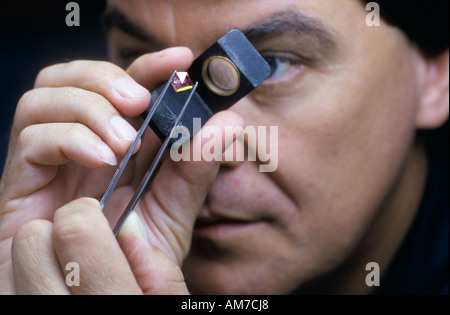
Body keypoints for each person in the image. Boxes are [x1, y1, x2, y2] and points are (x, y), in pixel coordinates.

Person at [0, 0, 448, 295]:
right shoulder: (48, 183)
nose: (198, 146)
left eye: (271, 66)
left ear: (435, 76)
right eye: (163, 82)